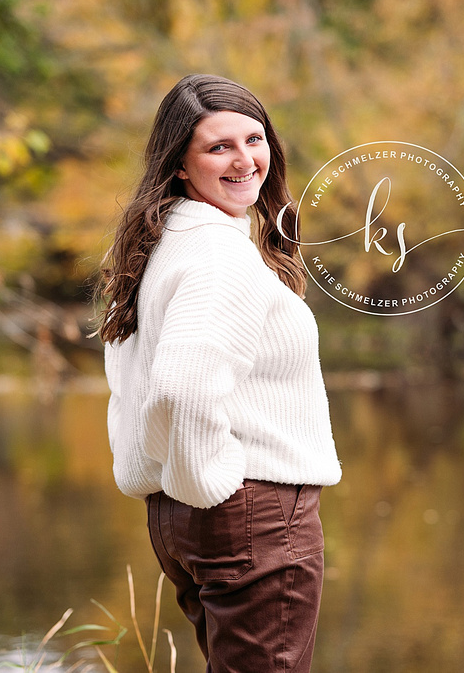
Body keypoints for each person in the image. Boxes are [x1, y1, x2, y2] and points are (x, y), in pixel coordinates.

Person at [95, 73, 342, 672]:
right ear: (179, 164)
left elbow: (136, 374)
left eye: (253, 140)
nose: (245, 161)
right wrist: (208, 482)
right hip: (249, 511)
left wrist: (189, 490)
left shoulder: (163, 243)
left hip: (193, 516)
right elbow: (180, 385)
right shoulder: (216, 253)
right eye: (218, 147)